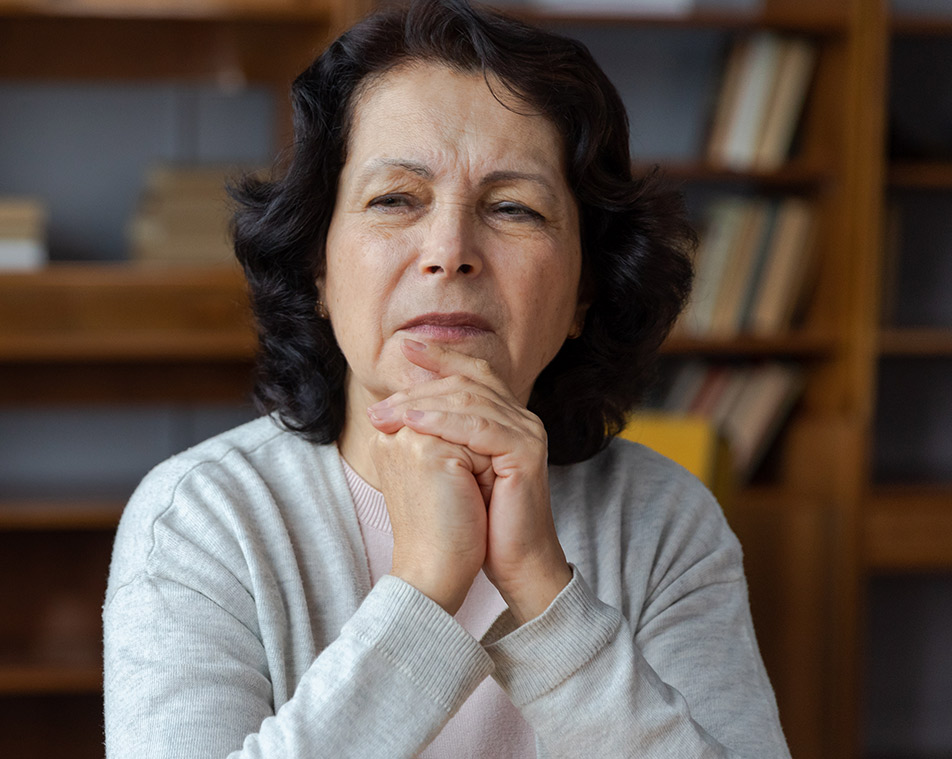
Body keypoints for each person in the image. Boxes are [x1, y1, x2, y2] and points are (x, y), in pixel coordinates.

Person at [103, 1, 791, 756]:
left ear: (585, 292)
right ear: (319, 268)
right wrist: (425, 589)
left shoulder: (663, 521)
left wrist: (540, 585)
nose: (449, 250)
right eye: (395, 199)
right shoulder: (202, 518)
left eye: (513, 208)